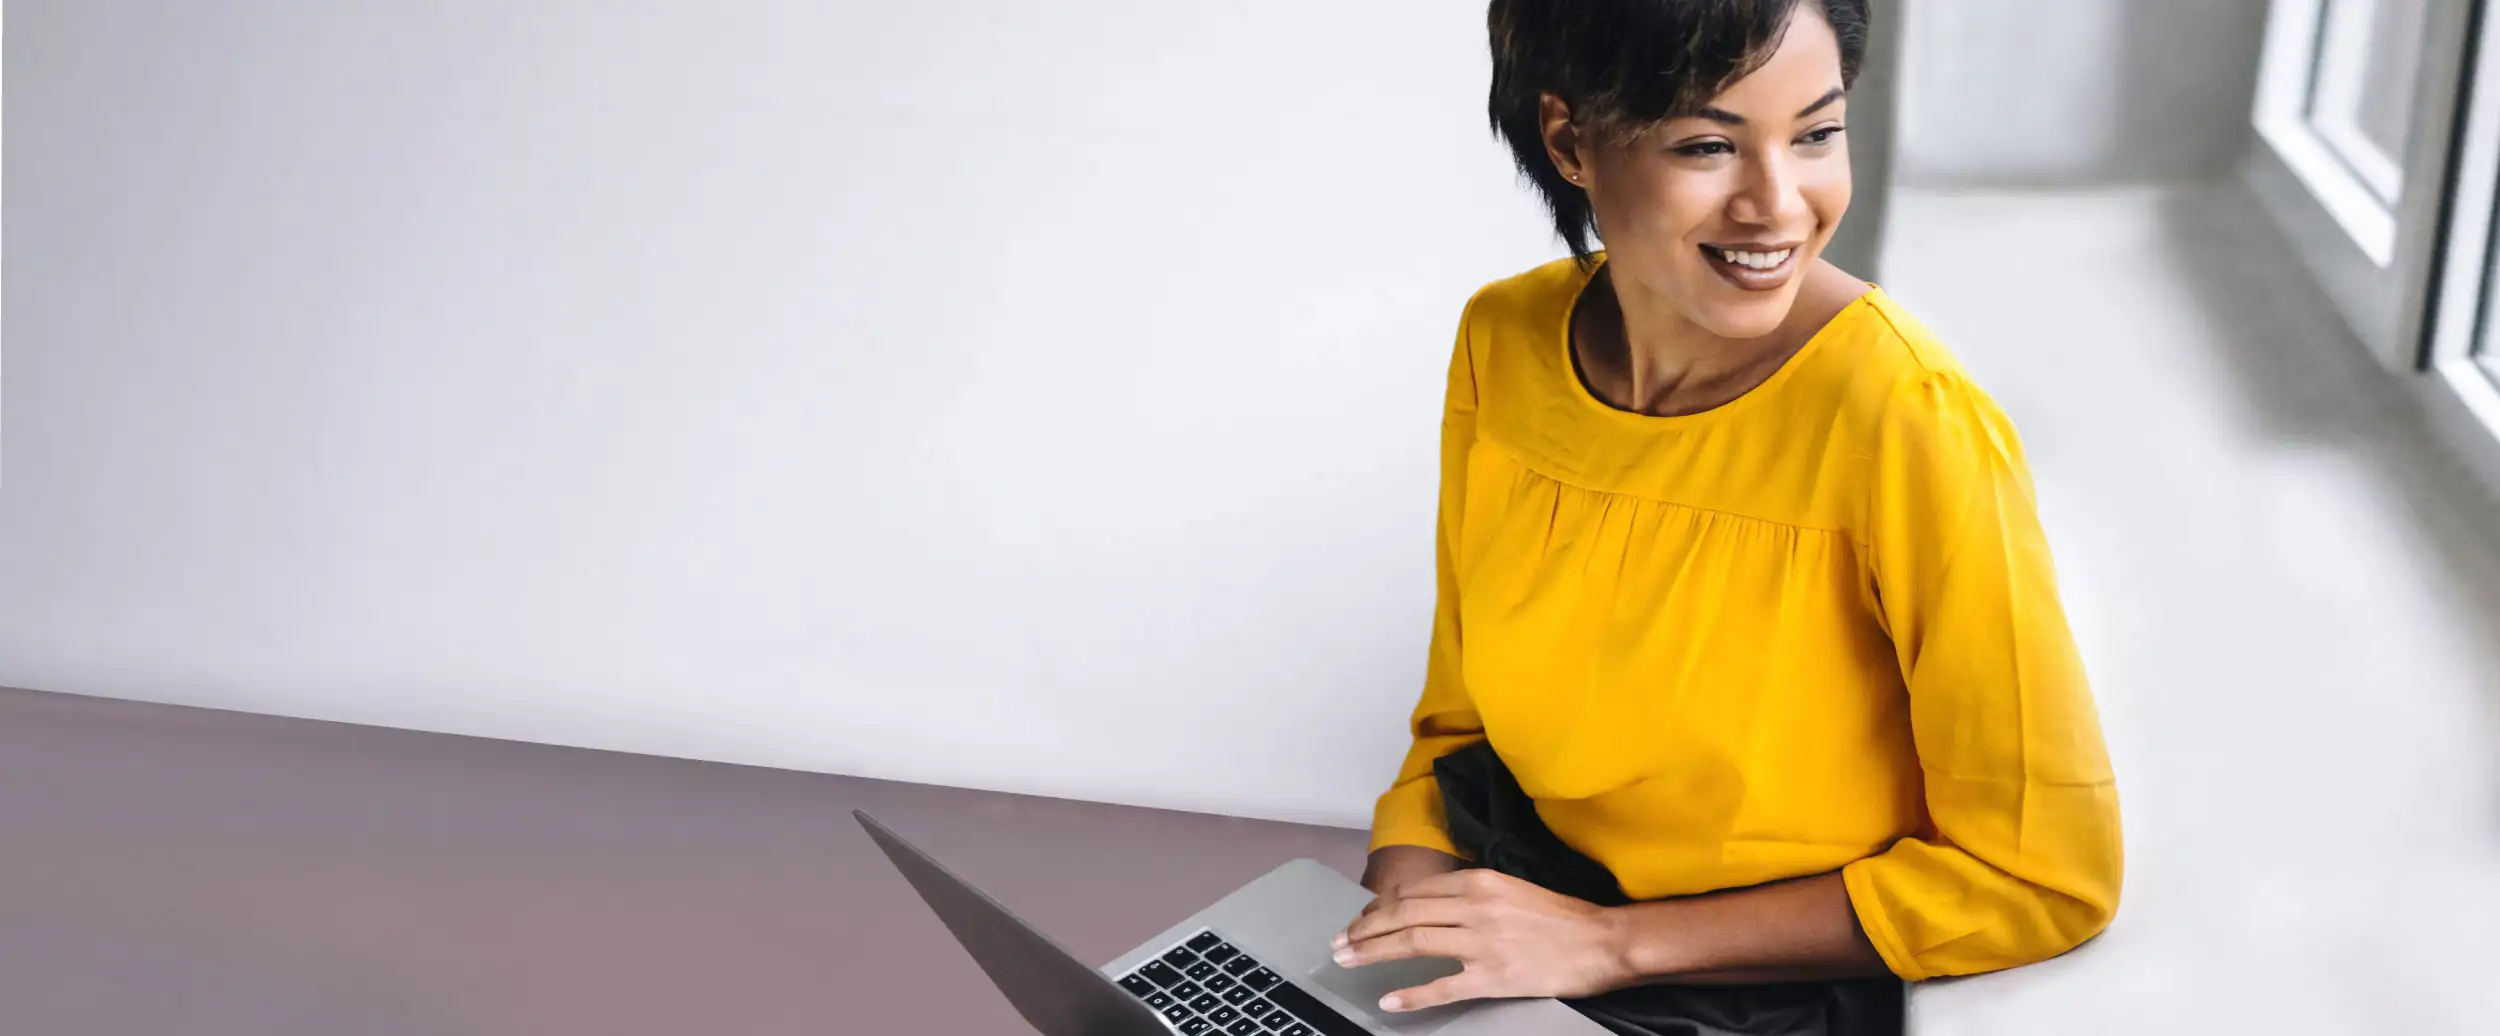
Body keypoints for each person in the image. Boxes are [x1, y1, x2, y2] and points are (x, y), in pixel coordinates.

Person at [1331, 3, 2124, 1033]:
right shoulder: (1503, 341)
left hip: (1757, 989)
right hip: (1522, 930)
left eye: (1816, 134)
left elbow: (2045, 875)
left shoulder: (1901, 416)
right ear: (1570, 140)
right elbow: (1455, 729)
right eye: (1708, 144)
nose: (1777, 204)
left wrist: (1611, 947)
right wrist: (1407, 915)